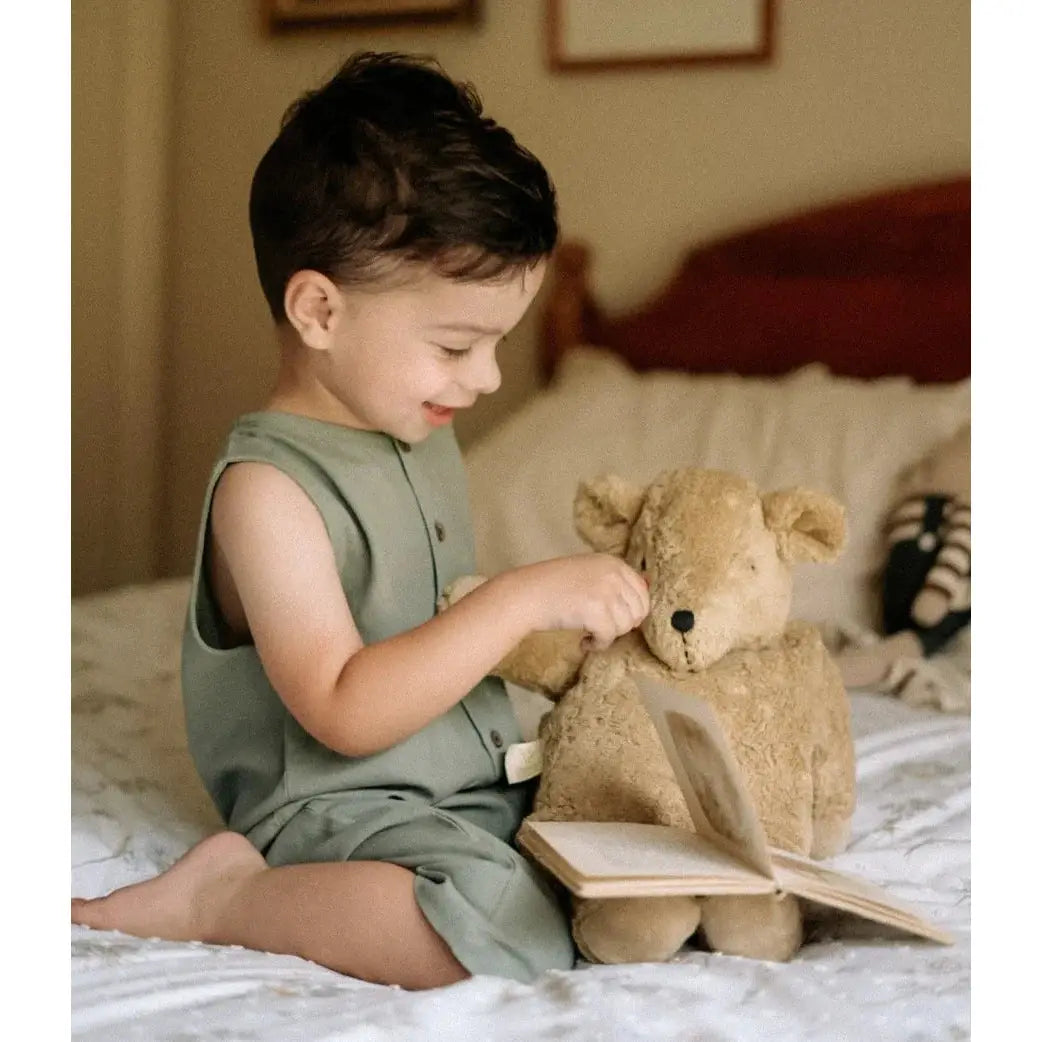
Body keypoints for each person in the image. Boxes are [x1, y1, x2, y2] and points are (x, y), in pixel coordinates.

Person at [71, 52, 649, 991]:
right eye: (458, 344)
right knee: (505, 936)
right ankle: (223, 898)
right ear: (319, 310)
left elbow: (434, 634)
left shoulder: (419, 435)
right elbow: (342, 708)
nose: (490, 377)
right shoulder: (268, 490)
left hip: (465, 789)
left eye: (497, 341)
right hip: (334, 808)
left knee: (629, 861)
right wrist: (516, 600)